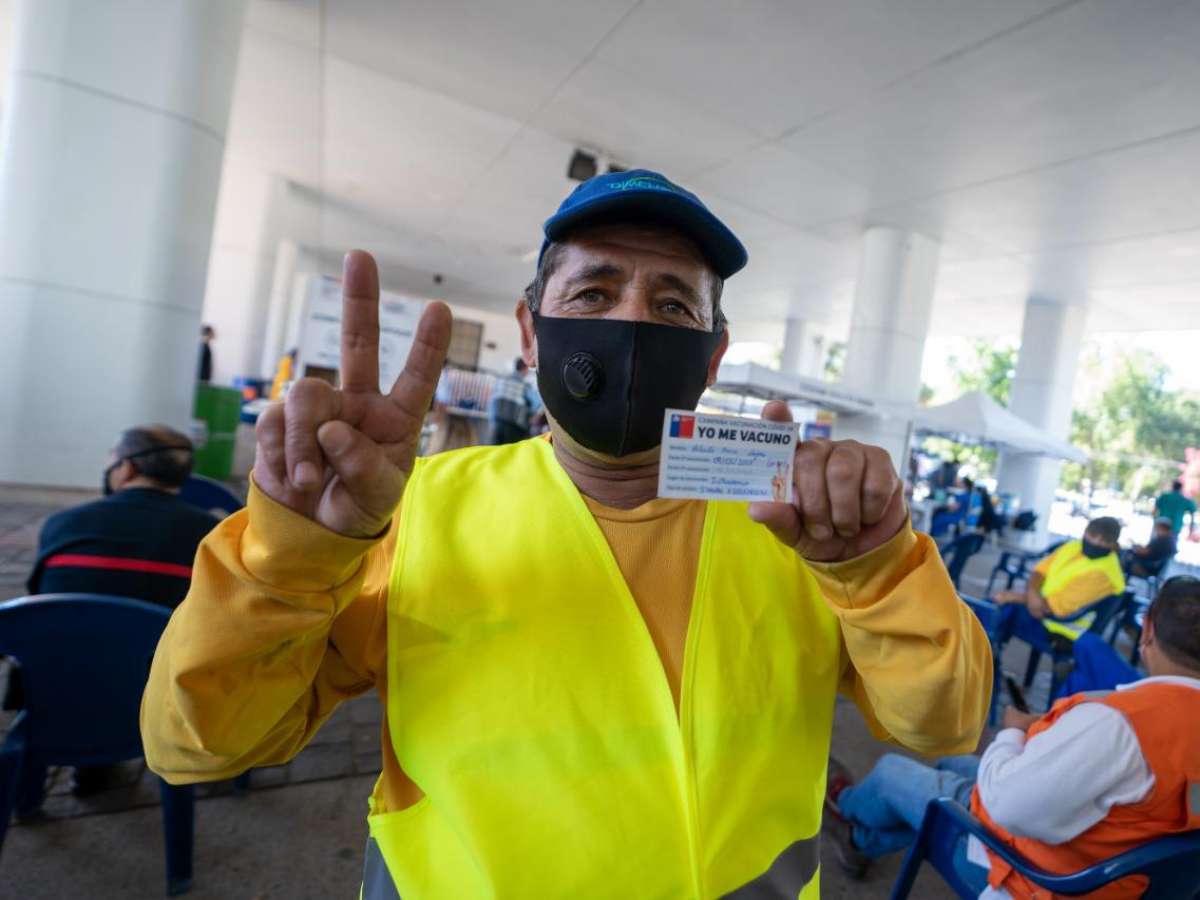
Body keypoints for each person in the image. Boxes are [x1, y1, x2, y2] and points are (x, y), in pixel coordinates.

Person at [141, 169, 991, 897]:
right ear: (530, 329)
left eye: (673, 304)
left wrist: (874, 573)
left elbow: (944, 725)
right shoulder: (407, 515)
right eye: (594, 291)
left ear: (713, 354)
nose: (633, 323)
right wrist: (296, 556)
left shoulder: (802, 531)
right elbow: (204, 743)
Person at [827, 575, 1200, 897]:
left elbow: (1005, 805)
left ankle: (845, 814)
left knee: (895, 773)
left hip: (1037, 880)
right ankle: (863, 841)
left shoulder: (1121, 725)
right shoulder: (1137, 723)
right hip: (1122, 871)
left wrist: (1011, 732)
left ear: (1147, 628)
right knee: (952, 764)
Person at [9, 425, 218, 801]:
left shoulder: (63, 524)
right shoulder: (212, 538)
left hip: (54, 698)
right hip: (162, 708)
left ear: (127, 468)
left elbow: (37, 607)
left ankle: (46, 784)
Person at [26, 425, 218, 605]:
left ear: (127, 468)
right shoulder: (213, 534)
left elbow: (39, 600)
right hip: (162, 640)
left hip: (61, 638)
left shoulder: (62, 524)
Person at [992, 516, 1125, 647]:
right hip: (1038, 609)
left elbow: (1056, 608)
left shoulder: (1106, 574)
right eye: (1093, 535)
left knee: (997, 611)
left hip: (1062, 629)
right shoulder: (1074, 547)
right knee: (993, 610)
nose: (1096, 542)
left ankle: (987, 661)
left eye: (1104, 541)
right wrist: (1032, 594)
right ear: (1085, 531)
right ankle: (989, 658)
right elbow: (1039, 571)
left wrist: (1015, 597)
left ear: (1114, 544)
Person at [486, 357, 540, 445]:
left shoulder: (501, 380)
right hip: (515, 426)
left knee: (495, 452)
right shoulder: (524, 385)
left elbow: (492, 401)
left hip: (497, 423)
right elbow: (536, 404)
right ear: (525, 369)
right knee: (510, 454)